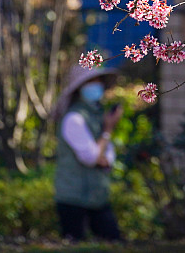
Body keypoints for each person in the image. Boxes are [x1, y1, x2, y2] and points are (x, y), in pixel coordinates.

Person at [52, 64, 124, 241]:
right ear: (79, 88)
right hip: (72, 198)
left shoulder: (97, 116)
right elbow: (92, 157)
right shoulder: (74, 119)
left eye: (99, 81)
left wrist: (103, 151)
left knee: (113, 241)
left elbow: (107, 157)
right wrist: (107, 131)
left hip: (97, 196)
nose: (97, 85)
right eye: (91, 81)